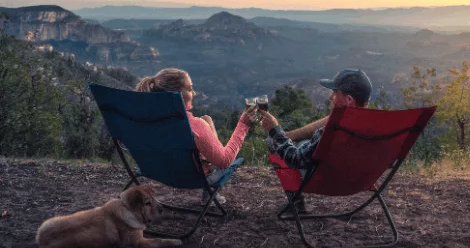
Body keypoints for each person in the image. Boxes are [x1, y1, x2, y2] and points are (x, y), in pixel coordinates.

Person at [136, 68, 257, 205]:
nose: (193, 93)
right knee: (221, 155)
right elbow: (224, 161)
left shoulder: (143, 119)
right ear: (177, 94)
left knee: (207, 119)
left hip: (157, 171)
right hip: (193, 177)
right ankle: (209, 190)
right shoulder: (195, 127)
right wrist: (243, 124)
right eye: (189, 89)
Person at [259, 69, 372, 212]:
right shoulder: (379, 127)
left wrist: (275, 130)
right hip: (361, 180)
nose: (331, 98)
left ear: (349, 100)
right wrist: (291, 135)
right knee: (300, 141)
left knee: (274, 142)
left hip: (326, 179)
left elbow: (295, 158)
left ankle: (296, 203)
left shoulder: (333, 132)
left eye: (335, 93)